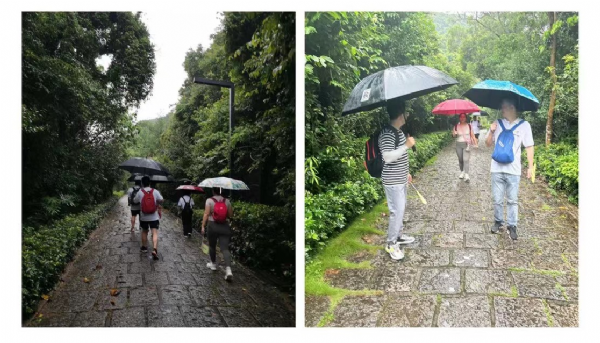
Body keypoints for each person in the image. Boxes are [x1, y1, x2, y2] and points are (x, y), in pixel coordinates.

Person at [485, 98, 534, 240]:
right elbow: (488, 144)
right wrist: (491, 132)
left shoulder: (525, 125)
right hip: (496, 168)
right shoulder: (498, 124)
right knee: (497, 199)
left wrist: (530, 167)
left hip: (514, 170)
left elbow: (529, 146)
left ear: (512, 108)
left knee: (512, 200)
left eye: (504, 107)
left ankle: (512, 225)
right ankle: (498, 222)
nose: (502, 110)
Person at [378, 99, 416, 261]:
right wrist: (406, 145)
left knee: (401, 209)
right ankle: (391, 243)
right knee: (397, 211)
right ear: (401, 114)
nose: (407, 115)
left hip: (400, 178)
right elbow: (387, 157)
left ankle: (399, 236)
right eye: (406, 113)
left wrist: (406, 172)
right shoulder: (387, 133)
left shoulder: (398, 131)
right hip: (392, 181)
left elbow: (400, 157)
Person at [202, 187, 234, 281]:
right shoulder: (227, 201)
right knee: (225, 248)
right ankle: (228, 270)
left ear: (213, 191)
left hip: (212, 226)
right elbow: (230, 215)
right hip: (224, 226)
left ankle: (213, 264)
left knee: (212, 246)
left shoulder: (209, 200)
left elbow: (206, 214)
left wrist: (203, 225)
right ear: (221, 191)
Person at [133, 175, 164, 259]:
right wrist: (157, 203)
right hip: (154, 216)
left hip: (144, 217)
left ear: (142, 183)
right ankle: (154, 249)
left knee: (144, 231)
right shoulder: (155, 191)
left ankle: (144, 247)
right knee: (154, 232)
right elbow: (161, 199)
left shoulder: (140, 192)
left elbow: (135, 201)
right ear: (150, 183)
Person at [452, 113, 478, 182]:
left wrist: (475, 143)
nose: (462, 118)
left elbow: (472, 135)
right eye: (461, 117)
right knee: (460, 160)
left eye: (464, 117)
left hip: (467, 145)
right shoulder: (456, 126)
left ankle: (466, 174)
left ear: (466, 118)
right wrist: (454, 133)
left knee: (465, 159)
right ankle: (462, 171)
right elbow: (453, 136)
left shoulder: (469, 126)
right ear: (459, 118)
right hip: (458, 144)